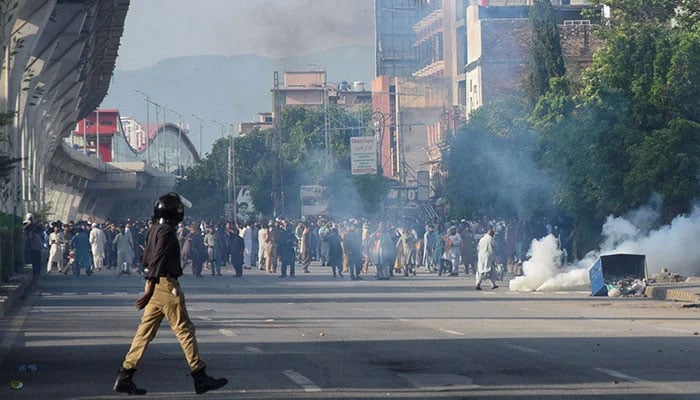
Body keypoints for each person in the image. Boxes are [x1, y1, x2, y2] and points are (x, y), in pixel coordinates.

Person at [113, 192, 227, 395]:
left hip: (157, 285)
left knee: (144, 333)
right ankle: (199, 376)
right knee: (185, 330)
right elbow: (156, 259)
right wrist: (149, 288)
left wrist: (150, 286)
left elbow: (146, 259)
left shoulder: (154, 229)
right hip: (165, 285)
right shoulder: (166, 231)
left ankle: (125, 375)